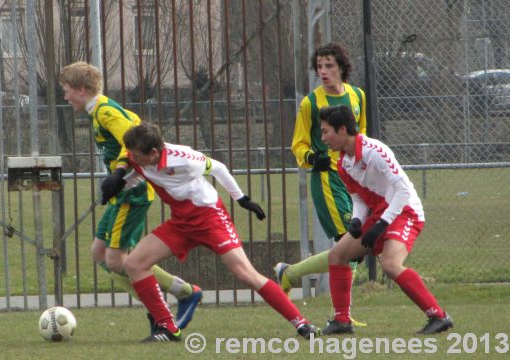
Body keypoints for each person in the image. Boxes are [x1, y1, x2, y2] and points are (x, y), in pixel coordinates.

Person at [108, 122, 321, 342]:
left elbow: (218, 168)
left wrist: (242, 198)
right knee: (134, 264)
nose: (132, 158)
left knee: (246, 274)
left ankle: (302, 323)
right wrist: (117, 182)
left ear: (153, 152)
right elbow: (137, 172)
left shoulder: (184, 159)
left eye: (136, 155)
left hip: (210, 219)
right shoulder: (140, 157)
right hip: (181, 222)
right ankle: (167, 327)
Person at [59, 62, 202, 332]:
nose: (65, 97)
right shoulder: (99, 110)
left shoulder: (104, 112)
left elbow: (134, 139)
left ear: (81, 89)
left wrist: (120, 171)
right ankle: (179, 294)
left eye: (67, 91)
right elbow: (134, 123)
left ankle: (164, 309)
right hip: (123, 193)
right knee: (100, 253)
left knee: (115, 259)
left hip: (133, 193)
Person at [316, 105, 453, 335]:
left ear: (341, 130)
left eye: (325, 131)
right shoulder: (343, 163)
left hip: (405, 211)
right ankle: (342, 321)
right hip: (381, 214)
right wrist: (357, 221)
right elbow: (358, 199)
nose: (323, 138)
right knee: (337, 256)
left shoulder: (374, 151)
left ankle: (438, 316)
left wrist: (381, 225)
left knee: (390, 263)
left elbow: (402, 191)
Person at [275, 43, 367, 327]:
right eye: (319, 67)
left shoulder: (357, 96)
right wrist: (312, 157)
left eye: (329, 65)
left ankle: (290, 274)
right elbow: (298, 144)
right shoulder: (310, 103)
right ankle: (343, 315)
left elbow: (360, 134)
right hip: (328, 180)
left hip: (353, 177)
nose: (323, 72)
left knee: (352, 249)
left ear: (341, 67)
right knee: (348, 244)